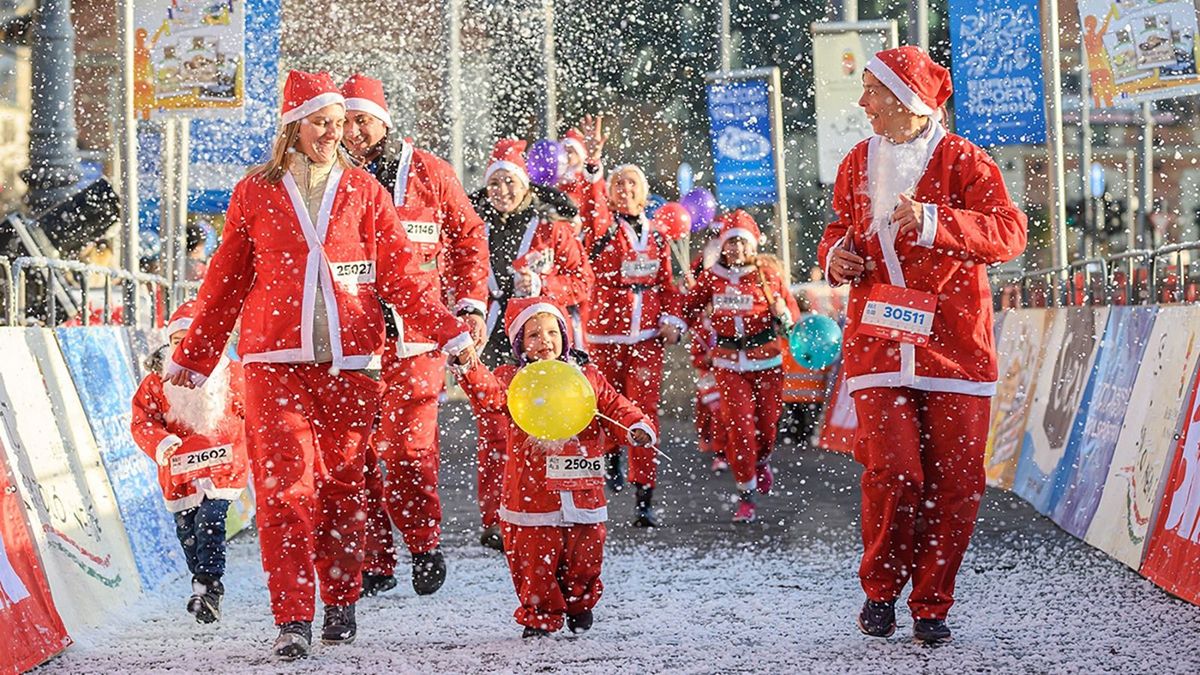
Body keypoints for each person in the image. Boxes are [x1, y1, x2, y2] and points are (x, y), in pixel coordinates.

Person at [165, 70, 476, 660]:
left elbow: (404, 277)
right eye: (321, 123)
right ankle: (292, 618)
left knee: (343, 489)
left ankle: (339, 599)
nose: (334, 134)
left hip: (351, 364)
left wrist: (450, 331)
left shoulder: (364, 192)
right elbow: (226, 280)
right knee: (285, 493)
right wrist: (195, 356)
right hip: (273, 364)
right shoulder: (254, 191)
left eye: (339, 124)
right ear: (293, 126)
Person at [818, 46, 1027, 643]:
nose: (863, 105)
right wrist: (836, 255)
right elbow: (837, 226)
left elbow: (1010, 233)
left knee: (957, 483)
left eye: (872, 92)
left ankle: (931, 602)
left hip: (955, 348)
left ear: (907, 99)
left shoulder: (964, 160)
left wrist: (936, 221)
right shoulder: (857, 161)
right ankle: (881, 590)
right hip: (880, 340)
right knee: (894, 471)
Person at [339, 73, 490, 597]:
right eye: (347, 122)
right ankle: (377, 558)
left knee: (409, 448)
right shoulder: (332, 175)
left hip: (417, 334)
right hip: (353, 337)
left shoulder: (430, 172)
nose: (355, 132)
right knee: (357, 453)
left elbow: (469, 236)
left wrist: (469, 304)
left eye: (363, 120)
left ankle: (424, 544)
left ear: (383, 118)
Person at [453, 297, 654, 637]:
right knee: (534, 561)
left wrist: (636, 427)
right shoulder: (513, 381)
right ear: (519, 343)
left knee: (585, 555)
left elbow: (616, 407)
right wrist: (468, 363)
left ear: (564, 334)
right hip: (532, 496)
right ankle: (540, 614)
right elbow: (487, 394)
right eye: (532, 335)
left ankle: (580, 600)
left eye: (551, 332)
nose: (544, 340)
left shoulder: (586, 376)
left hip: (583, 491)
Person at [468, 138, 591, 550]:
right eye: (494, 184)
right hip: (492, 340)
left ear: (526, 185)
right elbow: (454, 280)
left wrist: (546, 285)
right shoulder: (471, 231)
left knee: (545, 429)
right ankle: (495, 519)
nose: (502, 191)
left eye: (510, 182)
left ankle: (547, 511)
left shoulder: (550, 229)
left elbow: (583, 282)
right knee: (495, 434)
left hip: (539, 342)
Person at [577, 115, 684, 526]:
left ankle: (644, 498)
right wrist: (594, 163)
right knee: (602, 406)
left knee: (644, 412)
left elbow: (669, 285)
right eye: (617, 183)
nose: (624, 189)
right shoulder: (603, 227)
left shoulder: (657, 236)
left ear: (644, 194)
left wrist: (673, 318)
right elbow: (591, 204)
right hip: (606, 333)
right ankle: (608, 462)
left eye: (631, 184)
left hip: (647, 337)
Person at [130, 301, 249, 625]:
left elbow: (255, 414)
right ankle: (203, 586)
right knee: (189, 535)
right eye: (175, 341)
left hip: (222, 471)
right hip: (180, 476)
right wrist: (161, 442)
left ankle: (208, 588)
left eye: (189, 340)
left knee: (210, 523)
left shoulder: (231, 375)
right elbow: (142, 421)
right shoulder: (158, 381)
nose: (182, 349)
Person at [683, 211, 798, 523]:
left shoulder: (769, 274)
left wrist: (782, 314)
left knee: (767, 428)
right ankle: (745, 495)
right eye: (731, 243)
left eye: (742, 243)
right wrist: (676, 325)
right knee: (740, 429)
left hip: (767, 362)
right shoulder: (712, 277)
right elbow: (689, 309)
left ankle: (762, 461)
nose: (736, 250)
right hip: (728, 363)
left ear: (754, 245)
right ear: (723, 246)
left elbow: (792, 324)